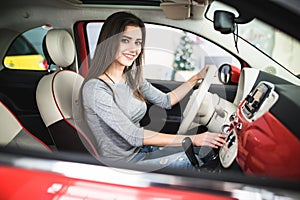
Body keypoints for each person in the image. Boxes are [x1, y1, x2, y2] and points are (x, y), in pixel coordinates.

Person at [79, 11, 227, 170]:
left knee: (206, 152)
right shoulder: (96, 89)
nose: (133, 49)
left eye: (137, 42)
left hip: (143, 150)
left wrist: (196, 77)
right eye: (125, 40)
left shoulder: (132, 77)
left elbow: (166, 100)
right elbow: (133, 135)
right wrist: (193, 138)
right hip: (125, 165)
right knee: (193, 163)